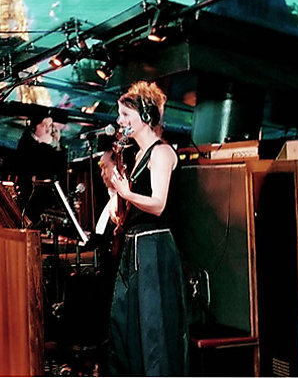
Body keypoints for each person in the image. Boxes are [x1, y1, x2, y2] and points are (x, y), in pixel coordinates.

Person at [106, 81, 188, 376]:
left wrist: (127, 194)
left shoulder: (161, 153)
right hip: (135, 247)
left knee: (153, 328)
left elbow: (158, 204)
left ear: (145, 116)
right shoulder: (137, 155)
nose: (120, 121)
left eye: (126, 115)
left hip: (153, 249)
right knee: (128, 325)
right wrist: (119, 205)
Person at [14, 111, 67, 224]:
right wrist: (47, 145)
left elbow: (59, 167)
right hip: (30, 194)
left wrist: (57, 146)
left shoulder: (49, 145)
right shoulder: (27, 143)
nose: (48, 130)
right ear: (34, 127)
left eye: (50, 126)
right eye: (44, 126)